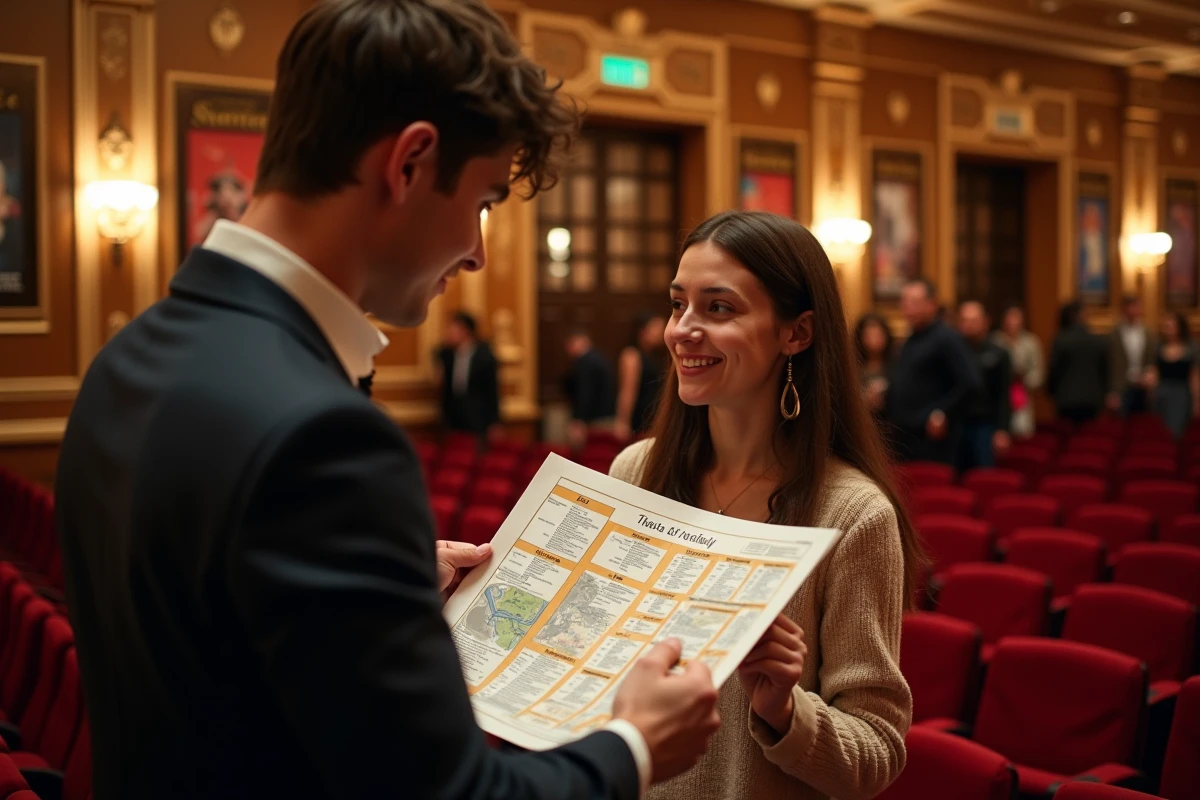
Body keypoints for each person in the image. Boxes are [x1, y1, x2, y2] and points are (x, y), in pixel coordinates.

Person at [54, 3, 721, 799]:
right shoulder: (322, 437)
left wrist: (380, 584)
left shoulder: (130, 354)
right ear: (409, 163)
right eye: (479, 201)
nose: (476, 253)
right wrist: (635, 744)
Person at [610, 210, 920, 800]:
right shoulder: (636, 472)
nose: (683, 329)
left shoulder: (851, 514)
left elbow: (877, 751)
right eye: (679, 305)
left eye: (719, 308)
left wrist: (784, 707)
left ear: (796, 333)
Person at [885, 277, 982, 465]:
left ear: (932, 305)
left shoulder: (947, 338)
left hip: (931, 439)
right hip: (905, 436)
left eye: (914, 303)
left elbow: (970, 383)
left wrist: (943, 412)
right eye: (904, 302)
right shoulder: (910, 339)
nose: (907, 308)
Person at [955, 300, 1012, 470]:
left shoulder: (999, 353)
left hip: (985, 424)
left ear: (986, 321)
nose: (969, 325)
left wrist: (1002, 429)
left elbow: (1003, 395)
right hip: (957, 423)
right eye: (964, 320)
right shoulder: (952, 352)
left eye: (974, 320)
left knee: (983, 473)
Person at [434, 311, 501, 442]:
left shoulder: (484, 356)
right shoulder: (448, 354)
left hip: (477, 417)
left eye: (453, 329)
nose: (448, 332)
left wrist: (494, 421)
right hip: (453, 416)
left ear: (465, 331)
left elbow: (492, 390)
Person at [1047, 300, 1109, 425]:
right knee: (1087, 440)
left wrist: (1051, 392)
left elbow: (1054, 371)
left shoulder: (1060, 340)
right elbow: (1105, 372)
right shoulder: (1098, 341)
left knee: (1067, 439)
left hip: (1066, 400)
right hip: (1092, 399)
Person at [991, 304, 1044, 439]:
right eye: (1010, 318)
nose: (1012, 322)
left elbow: (1038, 373)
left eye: (1016, 318)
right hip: (997, 397)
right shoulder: (994, 341)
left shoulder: (1031, 342)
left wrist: (1023, 379)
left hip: (1022, 396)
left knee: (1022, 434)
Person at [615, 312, 667, 442]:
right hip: (639, 421)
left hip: (652, 420)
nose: (661, 332)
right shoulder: (631, 354)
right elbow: (628, 391)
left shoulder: (653, 355)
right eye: (656, 328)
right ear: (643, 331)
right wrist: (622, 422)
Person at [1147, 312, 1200, 439]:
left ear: (1180, 328)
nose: (1167, 330)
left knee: (1176, 431)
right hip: (1161, 391)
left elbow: (1194, 377)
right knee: (1159, 430)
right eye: (1165, 326)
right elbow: (1155, 372)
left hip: (1181, 393)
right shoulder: (1158, 347)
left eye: (1170, 326)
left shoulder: (1191, 348)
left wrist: (1197, 402)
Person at [564, 328, 616, 449]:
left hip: (594, 421)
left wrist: (578, 419)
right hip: (605, 416)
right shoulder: (597, 358)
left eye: (570, 344)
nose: (568, 350)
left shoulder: (585, 362)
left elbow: (585, 393)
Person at [1108, 294, 1154, 415]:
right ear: (1124, 309)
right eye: (1133, 307)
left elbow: (1152, 359)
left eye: (1139, 307)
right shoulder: (1113, 335)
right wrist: (1112, 392)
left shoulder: (1148, 333)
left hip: (1143, 388)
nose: (1136, 310)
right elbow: (1110, 366)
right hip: (1122, 388)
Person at [854, 312, 893, 421]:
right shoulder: (853, 366)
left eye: (878, 335)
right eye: (869, 335)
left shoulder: (896, 364)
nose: (874, 340)